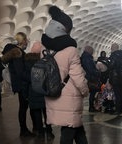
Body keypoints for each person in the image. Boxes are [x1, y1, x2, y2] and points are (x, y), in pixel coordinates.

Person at [41, 6, 89, 144]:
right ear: (65, 29)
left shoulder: (44, 48)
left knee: (77, 127)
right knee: (69, 130)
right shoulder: (71, 49)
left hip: (53, 92)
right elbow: (78, 76)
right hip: (69, 97)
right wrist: (85, 91)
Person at [2, 32, 36, 137]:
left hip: (20, 84)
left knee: (23, 107)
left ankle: (24, 129)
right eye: (26, 41)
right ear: (23, 41)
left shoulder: (15, 51)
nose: (27, 43)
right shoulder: (17, 53)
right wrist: (32, 79)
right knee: (23, 107)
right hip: (23, 84)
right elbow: (20, 72)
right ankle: (23, 130)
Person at [23, 41, 54, 140]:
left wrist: (26, 93)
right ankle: (49, 132)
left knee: (36, 113)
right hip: (44, 90)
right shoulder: (45, 60)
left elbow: (25, 78)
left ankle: (40, 133)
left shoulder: (26, 60)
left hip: (33, 90)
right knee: (46, 113)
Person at [80, 45, 100, 112]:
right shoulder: (87, 58)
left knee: (92, 92)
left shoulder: (85, 57)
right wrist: (98, 73)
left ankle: (92, 107)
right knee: (93, 92)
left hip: (88, 77)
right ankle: (91, 107)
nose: (93, 52)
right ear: (89, 50)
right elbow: (90, 69)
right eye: (92, 51)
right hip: (90, 78)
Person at [108, 43, 122, 115]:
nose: (111, 49)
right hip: (121, 76)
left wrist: (109, 64)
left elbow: (112, 65)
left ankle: (117, 110)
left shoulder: (114, 55)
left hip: (115, 77)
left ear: (113, 48)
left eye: (111, 47)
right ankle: (121, 108)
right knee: (121, 93)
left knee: (117, 94)